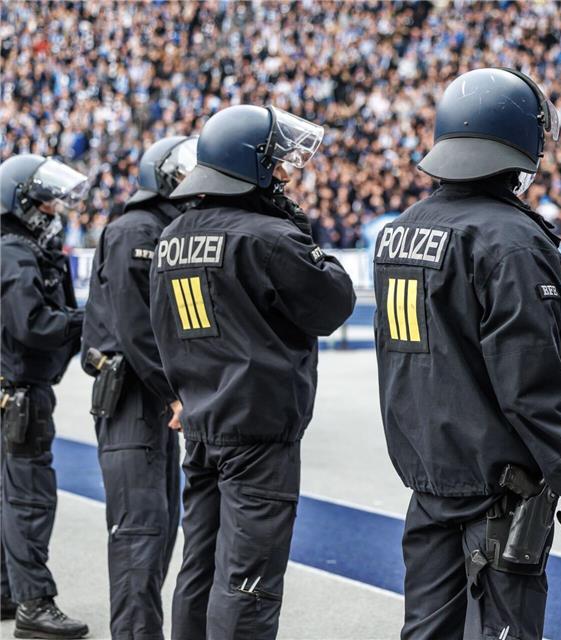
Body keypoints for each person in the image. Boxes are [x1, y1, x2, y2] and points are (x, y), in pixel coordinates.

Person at [374, 68, 561, 640]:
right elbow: (531, 381)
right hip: (500, 491)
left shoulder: (400, 231)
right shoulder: (511, 241)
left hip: (429, 480)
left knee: (426, 630)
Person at [150, 104, 356, 640]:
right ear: (252, 166)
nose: (285, 173)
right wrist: (296, 225)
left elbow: (163, 329)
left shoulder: (172, 236)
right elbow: (333, 304)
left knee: (199, 566)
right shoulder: (268, 237)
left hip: (201, 422)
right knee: (249, 582)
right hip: (259, 433)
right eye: (277, 162)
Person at [80, 135, 199, 639]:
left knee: (158, 531)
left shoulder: (162, 228)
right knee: (140, 536)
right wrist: (174, 392)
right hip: (134, 399)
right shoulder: (136, 230)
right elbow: (137, 329)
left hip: (149, 401)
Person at [0, 154, 89, 638]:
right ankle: (34, 604)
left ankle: (7, 592)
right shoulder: (15, 253)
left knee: (9, 498)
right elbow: (33, 325)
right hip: (21, 397)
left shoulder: (13, 248)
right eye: (46, 201)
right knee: (30, 500)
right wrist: (89, 320)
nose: (54, 209)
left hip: (11, 392)